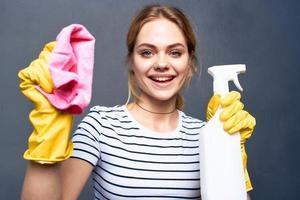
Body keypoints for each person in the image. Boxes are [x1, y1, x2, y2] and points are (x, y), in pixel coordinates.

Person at [20, 4, 256, 200]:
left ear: (190, 63)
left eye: (175, 52)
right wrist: (46, 133)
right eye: (147, 52)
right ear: (132, 62)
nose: (162, 63)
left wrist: (231, 155)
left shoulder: (206, 136)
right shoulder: (101, 126)